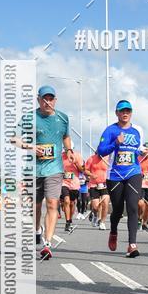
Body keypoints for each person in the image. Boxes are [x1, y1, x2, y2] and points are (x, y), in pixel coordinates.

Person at [10, 84, 71, 260]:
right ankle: (37, 229)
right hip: (34, 170)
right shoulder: (29, 117)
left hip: (55, 169)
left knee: (52, 204)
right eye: (44, 98)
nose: (47, 101)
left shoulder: (63, 118)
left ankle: (47, 243)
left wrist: (69, 151)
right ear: (38, 100)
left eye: (51, 98)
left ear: (55, 100)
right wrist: (31, 146)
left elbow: (66, 137)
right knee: (35, 207)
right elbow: (14, 139)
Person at [97, 100, 145, 257]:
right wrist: (115, 144)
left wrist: (144, 152)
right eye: (122, 111)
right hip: (115, 175)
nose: (125, 113)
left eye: (128, 111)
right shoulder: (110, 130)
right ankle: (113, 231)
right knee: (117, 210)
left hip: (133, 172)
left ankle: (132, 245)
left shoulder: (138, 130)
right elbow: (100, 151)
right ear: (117, 113)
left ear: (131, 113)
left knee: (132, 206)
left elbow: (138, 151)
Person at [84, 151, 110, 230]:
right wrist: (92, 175)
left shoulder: (108, 159)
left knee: (105, 203)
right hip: (94, 185)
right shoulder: (91, 159)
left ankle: (102, 222)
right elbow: (85, 170)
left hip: (105, 184)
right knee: (95, 206)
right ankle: (95, 215)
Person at [60, 148, 83, 232]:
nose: (67, 152)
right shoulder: (60, 156)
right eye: (65, 151)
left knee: (72, 203)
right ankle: (67, 222)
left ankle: (70, 220)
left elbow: (82, 170)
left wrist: (76, 162)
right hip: (64, 182)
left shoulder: (77, 156)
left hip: (74, 184)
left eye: (69, 151)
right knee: (66, 201)